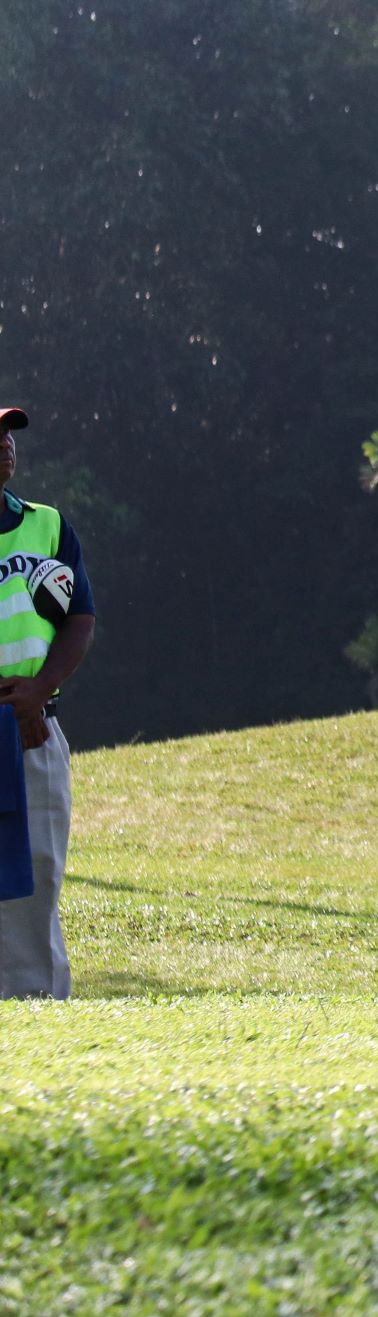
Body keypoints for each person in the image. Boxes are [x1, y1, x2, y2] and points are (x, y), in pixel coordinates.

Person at [0, 407, 98, 998]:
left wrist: (37, 692)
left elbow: (79, 618)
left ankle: (38, 1013)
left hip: (33, 730)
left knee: (35, 878)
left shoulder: (48, 526)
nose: (6, 444)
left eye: (8, 434)